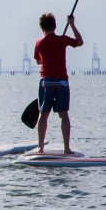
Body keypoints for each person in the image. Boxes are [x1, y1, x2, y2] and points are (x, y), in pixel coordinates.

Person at [34, 13, 83, 154]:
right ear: (55, 26)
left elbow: (38, 61)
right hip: (62, 82)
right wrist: (72, 24)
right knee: (64, 114)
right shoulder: (62, 40)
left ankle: (40, 147)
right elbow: (79, 42)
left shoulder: (39, 43)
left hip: (46, 82)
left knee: (43, 114)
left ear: (42, 28)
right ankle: (66, 148)